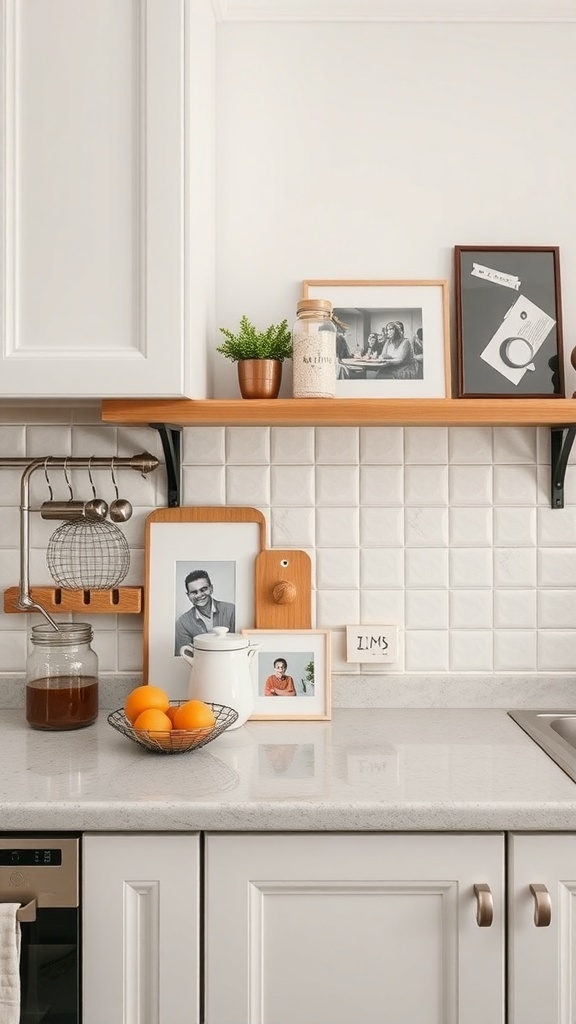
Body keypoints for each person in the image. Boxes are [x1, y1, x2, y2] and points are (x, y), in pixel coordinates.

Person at [175, 569, 235, 653]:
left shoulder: (231, 610)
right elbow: (186, 655)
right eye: (194, 592)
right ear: (188, 595)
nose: (199, 595)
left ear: (211, 589)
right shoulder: (182, 623)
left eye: (203, 589)